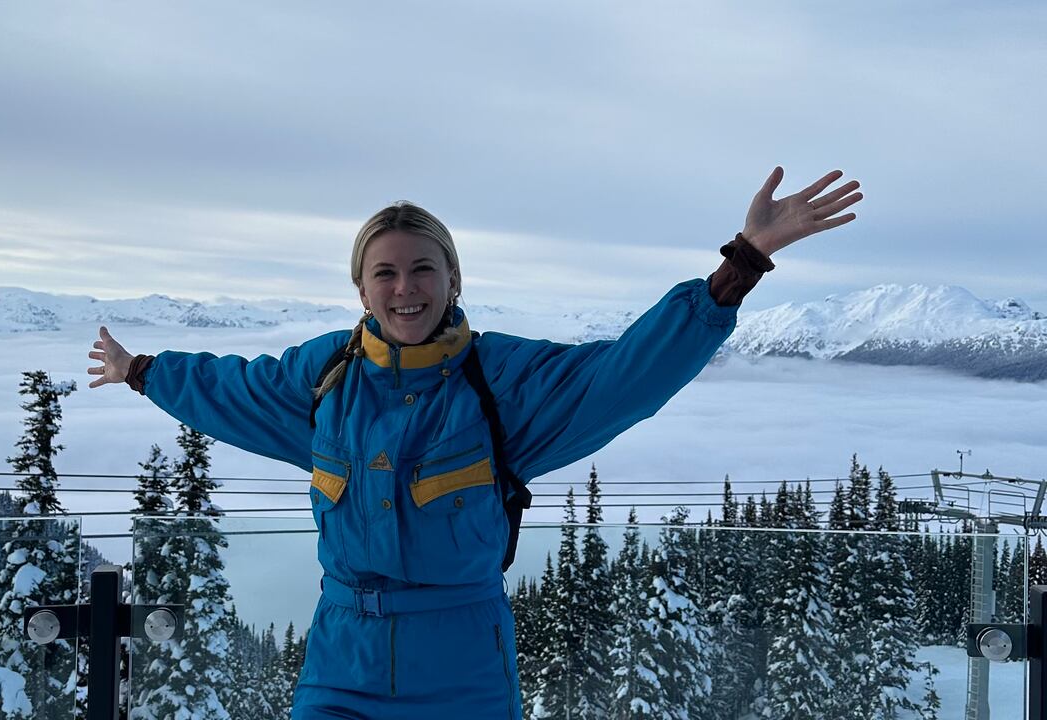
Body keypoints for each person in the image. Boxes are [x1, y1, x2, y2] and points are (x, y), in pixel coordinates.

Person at [87, 166, 862, 719]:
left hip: (464, 670)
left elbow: (624, 376)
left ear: (453, 278)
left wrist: (742, 263)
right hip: (340, 665)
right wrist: (140, 371)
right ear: (360, 289)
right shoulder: (324, 377)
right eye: (385, 272)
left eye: (423, 268)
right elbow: (230, 388)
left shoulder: (502, 384)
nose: (405, 288)